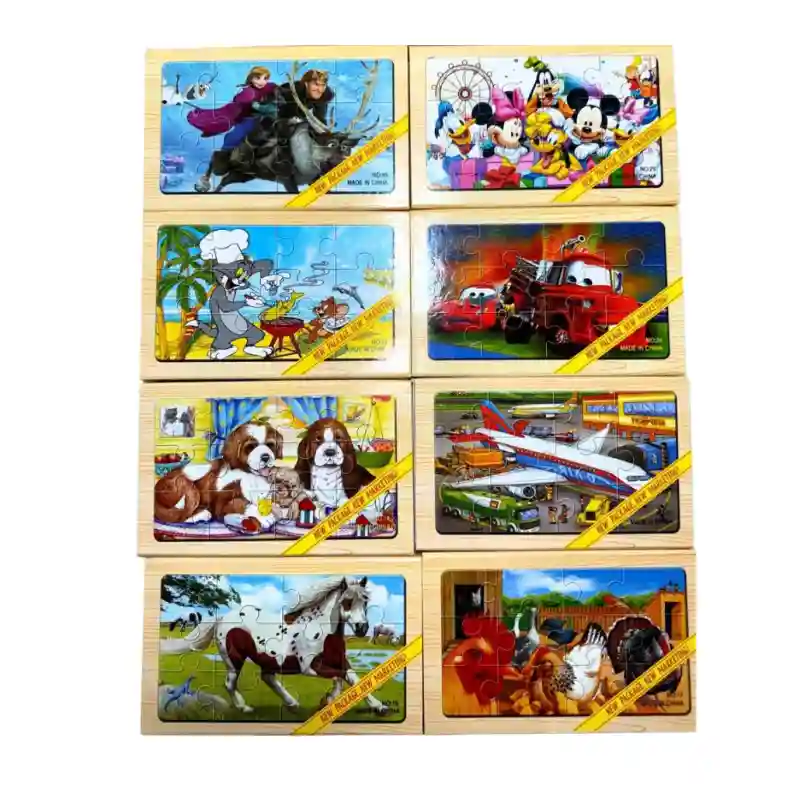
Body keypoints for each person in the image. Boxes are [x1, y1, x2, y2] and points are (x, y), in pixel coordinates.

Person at [187, 66, 277, 149]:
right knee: (224, 125)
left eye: (265, 78)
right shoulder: (249, 91)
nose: (262, 82)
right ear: (251, 78)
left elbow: (278, 91)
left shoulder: (270, 87)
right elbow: (238, 101)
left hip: (250, 116)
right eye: (258, 78)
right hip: (236, 113)